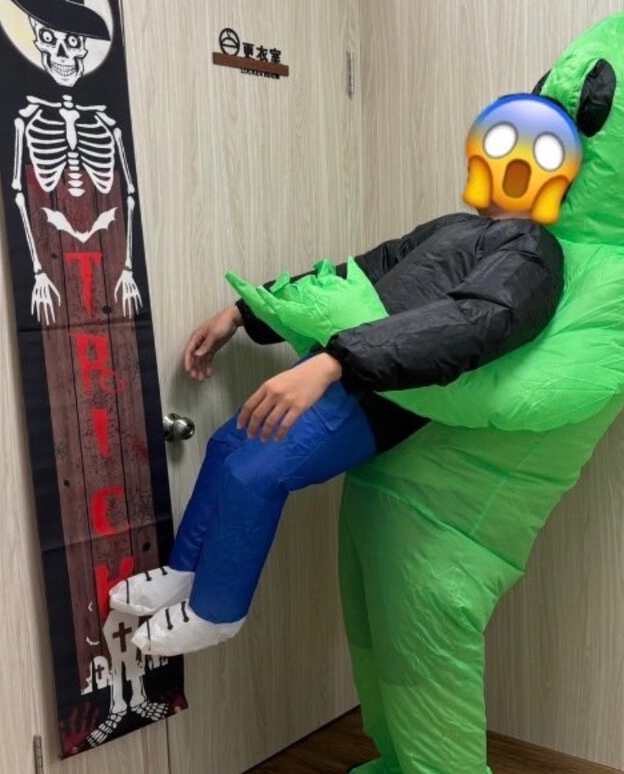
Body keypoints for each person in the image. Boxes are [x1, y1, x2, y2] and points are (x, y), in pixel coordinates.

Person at [109, 207, 564, 656]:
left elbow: (470, 324)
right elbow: (358, 272)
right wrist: (244, 314)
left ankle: (216, 612)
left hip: (383, 392)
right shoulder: (457, 226)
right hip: (340, 362)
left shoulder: (531, 251)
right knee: (226, 446)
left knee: (252, 475)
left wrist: (337, 362)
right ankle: (184, 572)